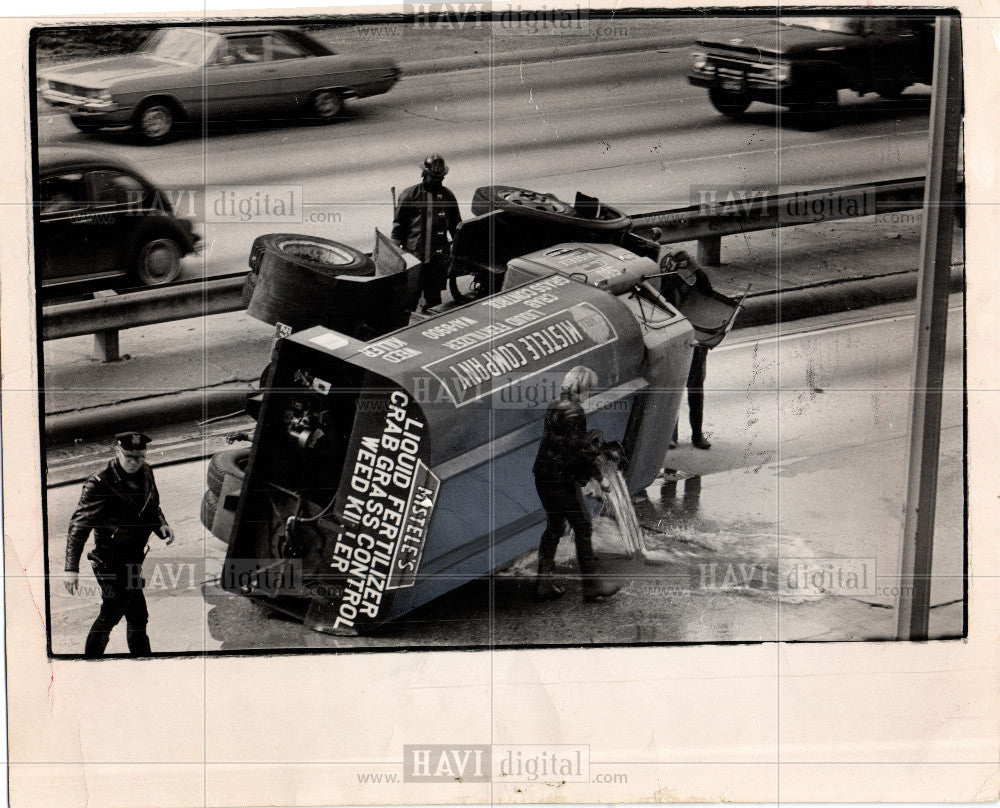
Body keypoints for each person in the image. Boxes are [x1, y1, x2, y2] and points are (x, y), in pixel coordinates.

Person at [64, 432, 174, 657]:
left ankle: (142, 662)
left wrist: (161, 524)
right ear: (117, 451)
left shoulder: (146, 471)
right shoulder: (99, 483)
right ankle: (92, 662)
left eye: (140, 457)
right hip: (110, 563)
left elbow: (152, 503)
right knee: (112, 614)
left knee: (137, 616)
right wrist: (71, 568)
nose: (135, 462)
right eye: (129, 457)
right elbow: (78, 527)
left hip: (133, 560)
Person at [532, 366, 621, 602]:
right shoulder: (575, 412)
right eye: (590, 389)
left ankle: (543, 583)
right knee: (582, 526)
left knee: (554, 526)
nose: (590, 393)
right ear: (582, 387)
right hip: (561, 481)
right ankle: (592, 585)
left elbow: (563, 444)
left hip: (543, 476)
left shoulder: (556, 403)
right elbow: (576, 452)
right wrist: (599, 478)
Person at [391, 154, 461, 312]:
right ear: (424, 174)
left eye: (440, 178)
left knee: (434, 301)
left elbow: (456, 226)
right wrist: (395, 251)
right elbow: (398, 227)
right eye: (433, 177)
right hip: (415, 256)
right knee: (410, 298)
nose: (438, 181)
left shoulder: (448, 196)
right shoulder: (410, 194)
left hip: (437, 259)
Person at [660, 250, 714, 450]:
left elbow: (707, 288)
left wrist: (695, 266)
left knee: (696, 389)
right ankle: (671, 434)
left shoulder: (697, 284)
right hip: (676, 343)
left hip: (696, 342)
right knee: (674, 390)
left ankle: (697, 434)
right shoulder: (666, 284)